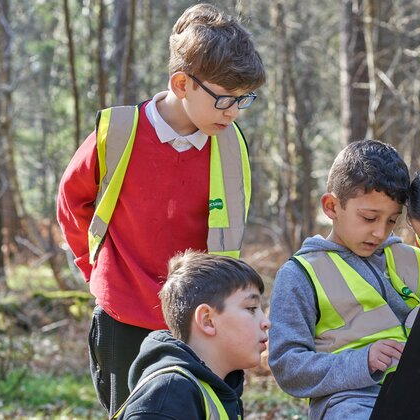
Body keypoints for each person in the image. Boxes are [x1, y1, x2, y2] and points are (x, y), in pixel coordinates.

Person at [56, 3, 265, 413]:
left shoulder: (231, 144)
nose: (236, 112)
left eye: (244, 100)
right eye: (225, 100)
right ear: (182, 82)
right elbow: (70, 199)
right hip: (124, 315)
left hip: (199, 324)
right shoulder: (117, 131)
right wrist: (92, 268)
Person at [268, 140, 420, 419]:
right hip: (351, 402)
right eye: (369, 217)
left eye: (391, 221)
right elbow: (288, 367)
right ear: (331, 206)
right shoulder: (299, 275)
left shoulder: (415, 258)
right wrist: (362, 362)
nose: (380, 233)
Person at [114, 251, 270, 419]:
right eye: (251, 308)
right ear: (207, 320)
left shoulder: (220, 388)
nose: (266, 322)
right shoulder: (168, 397)